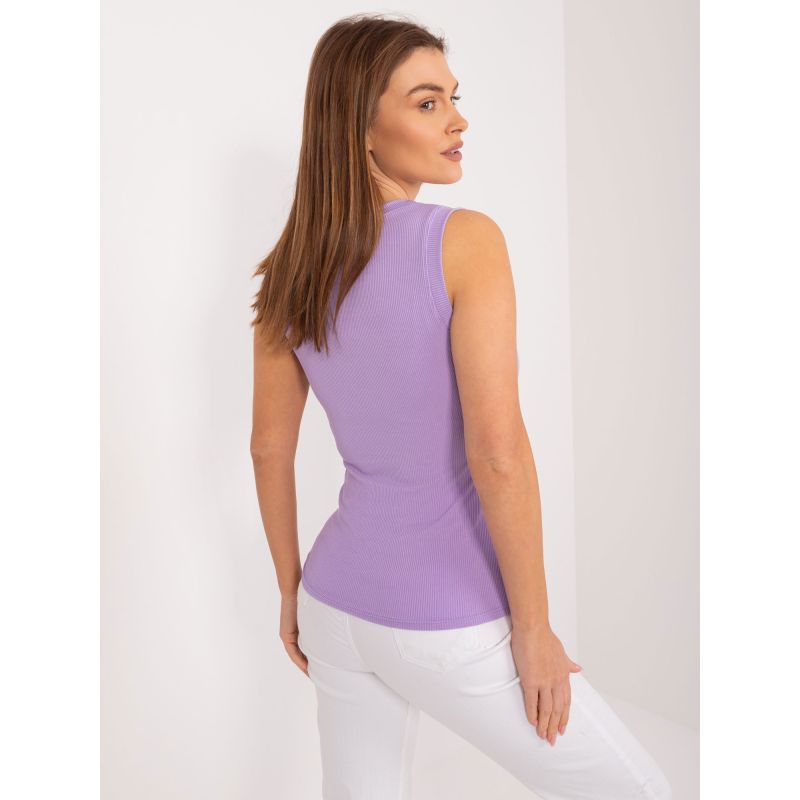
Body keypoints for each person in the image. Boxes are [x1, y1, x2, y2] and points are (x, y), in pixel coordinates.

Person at [249, 13, 672, 800]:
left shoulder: (290, 273)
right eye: (427, 102)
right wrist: (533, 630)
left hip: (334, 604)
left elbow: (268, 449)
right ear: (361, 128)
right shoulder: (464, 240)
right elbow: (497, 450)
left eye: (453, 97)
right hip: (447, 620)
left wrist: (290, 592)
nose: (458, 120)